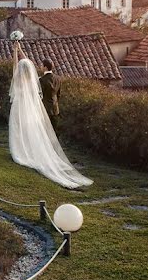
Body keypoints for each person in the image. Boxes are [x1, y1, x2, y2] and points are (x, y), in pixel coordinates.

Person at [8, 44, 91, 189]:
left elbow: (17, 66)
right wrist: (20, 50)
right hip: (30, 107)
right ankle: (30, 148)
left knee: (18, 127)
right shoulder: (33, 79)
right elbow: (29, 65)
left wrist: (15, 51)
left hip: (19, 106)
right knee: (31, 128)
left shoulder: (19, 78)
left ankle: (21, 149)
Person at [39, 59, 60, 131]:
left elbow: (40, 95)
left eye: (42, 65)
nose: (41, 67)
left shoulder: (42, 80)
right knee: (54, 130)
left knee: (46, 130)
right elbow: (58, 94)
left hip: (45, 109)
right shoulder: (58, 78)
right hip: (55, 108)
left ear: (45, 67)